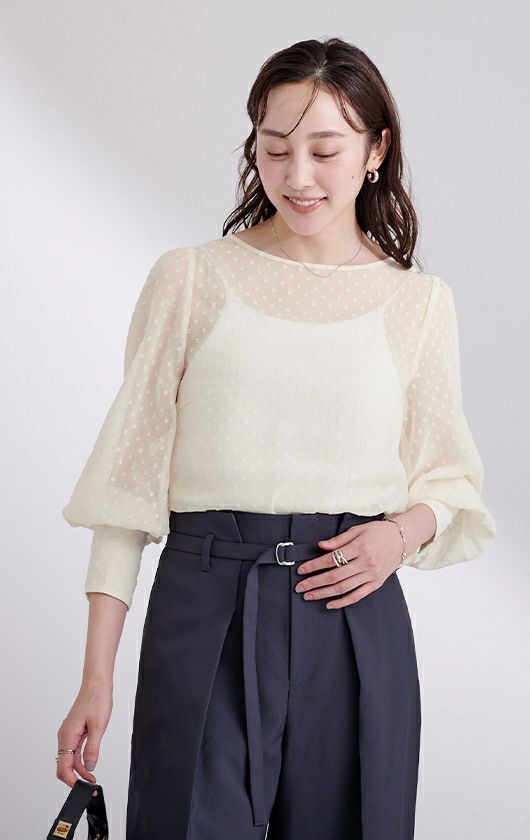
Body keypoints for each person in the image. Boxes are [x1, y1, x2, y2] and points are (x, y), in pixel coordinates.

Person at [56, 36, 497, 840]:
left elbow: (449, 482)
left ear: (376, 151)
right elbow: (126, 491)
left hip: (353, 616)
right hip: (204, 606)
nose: (298, 177)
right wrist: (96, 679)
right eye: (275, 148)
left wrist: (398, 536)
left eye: (325, 151)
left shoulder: (419, 303)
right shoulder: (191, 278)